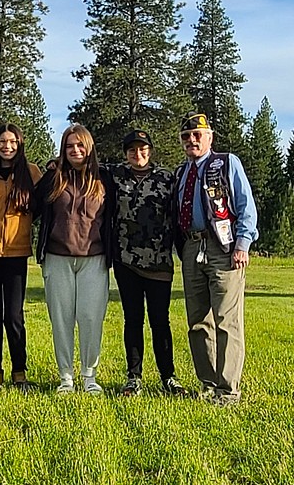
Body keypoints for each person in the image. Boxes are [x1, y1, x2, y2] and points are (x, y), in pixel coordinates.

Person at [172, 112, 258, 405]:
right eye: (186, 136)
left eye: (197, 135)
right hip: (191, 248)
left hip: (224, 248)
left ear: (209, 137)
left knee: (226, 321)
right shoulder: (181, 173)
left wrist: (243, 244)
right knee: (198, 321)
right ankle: (208, 384)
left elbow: (246, 205)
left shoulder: (226, 163)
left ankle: (228, 389)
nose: (192, 140)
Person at [35, 124, 113, 395]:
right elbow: (29, 205)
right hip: (58, 258)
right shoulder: (53, 178)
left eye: (80, 145)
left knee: (91, 318)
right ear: (63, 150)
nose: (75, 150)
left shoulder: (105, 179)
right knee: (61, 319)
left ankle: (90, 376)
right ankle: (65, 377)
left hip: (95, 258)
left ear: (89, 147)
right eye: (70, 146)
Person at [110, 130, 188, 398]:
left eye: (142, 149)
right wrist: (53, 164)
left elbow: (180, 214)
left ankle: (168, 377)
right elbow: (85, 165)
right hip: (126, 261)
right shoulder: (115, 176)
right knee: (132, 320)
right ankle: (134, 378)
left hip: (159, 263)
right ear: (125, 153)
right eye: (132, 150)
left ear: (150, 151)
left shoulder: (167, 178)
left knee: (160, 321)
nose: (137, 154)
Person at [0, 122, 42, 392]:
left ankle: (19, 372)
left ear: (20, 143)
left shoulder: (32, 173)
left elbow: (48, 197)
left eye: (12, 141)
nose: (7, 146)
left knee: (13, 316)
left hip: (16, 253)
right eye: (2, 141)